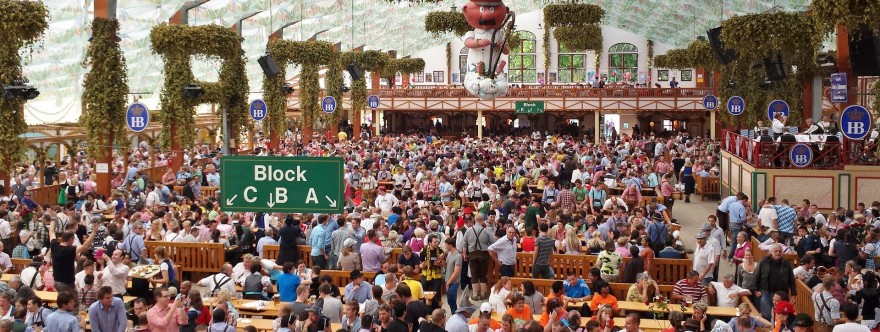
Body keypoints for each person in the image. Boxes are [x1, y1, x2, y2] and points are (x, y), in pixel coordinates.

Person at [754, 244, 797, 320]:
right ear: (771, 252)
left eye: (780, 251)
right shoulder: (763, 261)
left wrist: (793, 294)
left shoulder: (786, 264)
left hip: (781, 295)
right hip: (766, 292)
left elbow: (791, 280)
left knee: (780, 316)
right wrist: (755, 289)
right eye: (776, 251)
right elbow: (756, 275)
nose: (778, 253)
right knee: (766, 315)